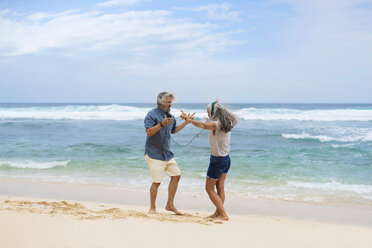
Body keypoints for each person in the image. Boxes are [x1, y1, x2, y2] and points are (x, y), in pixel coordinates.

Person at [181, 100, 238, 221]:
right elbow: (205, 122)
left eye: (208, 111)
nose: (207, 113)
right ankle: (218, 213)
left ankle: (223, 214)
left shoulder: (217, 124)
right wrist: (190, 118)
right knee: (220, 188)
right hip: (226, 159)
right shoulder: (226, 122)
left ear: (213, 112)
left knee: (209, 189)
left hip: (217, 161)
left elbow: (203, 125)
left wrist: (189, 121)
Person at [144, 92, 193, 215]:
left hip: (167, 154)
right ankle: (152, 208)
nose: (170, 104)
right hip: (153, 153)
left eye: (171, 102)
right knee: (157, 182)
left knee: (176, 176)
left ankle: (170, 205)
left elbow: (173, 131)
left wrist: (186, 122)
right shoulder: (152, 114)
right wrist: (161, 124)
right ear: (161, 102)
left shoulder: (170, 116)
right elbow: (149, 132)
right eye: (169, 102)